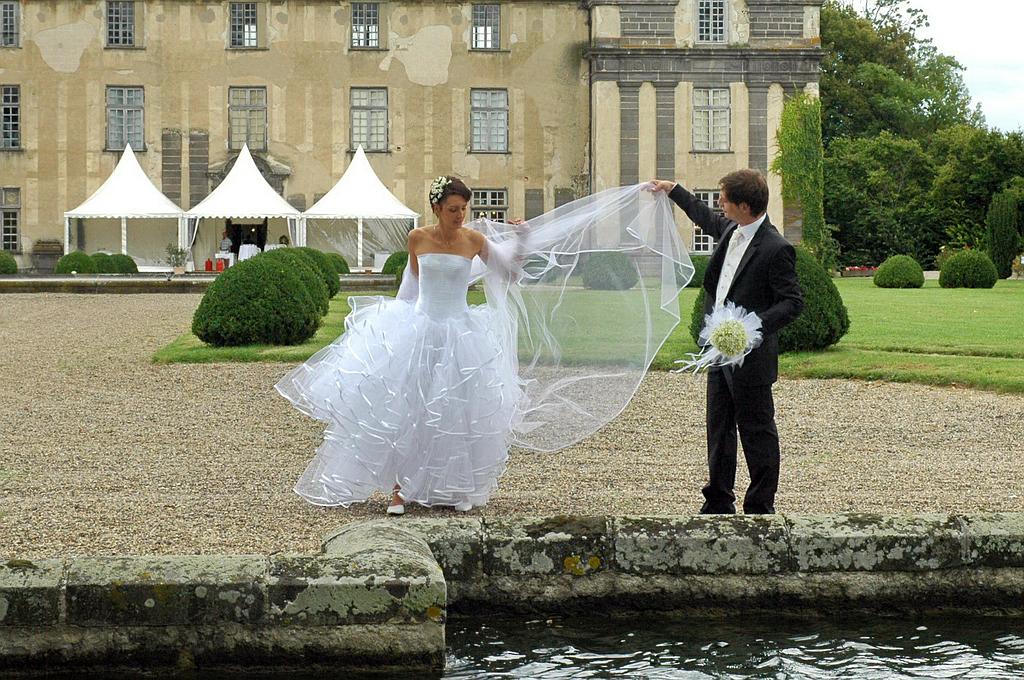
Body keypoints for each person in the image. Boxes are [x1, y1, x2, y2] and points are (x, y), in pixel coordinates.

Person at [276, 177, 693, 514]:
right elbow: (412, 284)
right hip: (420, 329)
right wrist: (392, 327)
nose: (460, 216)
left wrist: (525, 238)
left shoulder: (473, 240)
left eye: (464, 209)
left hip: (460, 332)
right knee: (408, 407)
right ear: (437, 208)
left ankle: (454, 486)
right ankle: (400, 489)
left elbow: (508, 272)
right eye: (453, 209)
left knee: (457, 409)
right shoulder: (417, 238)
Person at [650, 170, 803, 515]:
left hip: (751, 357)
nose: (719, 205)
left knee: (757, 432)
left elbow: (793, 302)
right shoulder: (732, 229)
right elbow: (704, 217)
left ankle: (760, 505)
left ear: (745, 206)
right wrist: (674, 190)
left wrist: (751, 328)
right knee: (719, 429)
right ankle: (718, 501)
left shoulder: (776, 248)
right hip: (718, 354)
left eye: (724, 199)